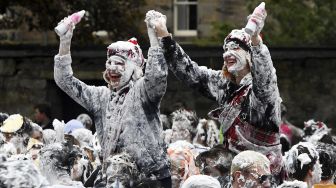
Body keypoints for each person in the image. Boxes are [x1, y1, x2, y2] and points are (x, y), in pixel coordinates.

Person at [150, 5, 282, 174]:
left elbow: (265, 78)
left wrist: (255, 39)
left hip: (264, 174)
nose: (227, 54)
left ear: (250, 55)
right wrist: (164, 34)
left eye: (235, 47)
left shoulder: (262, 90)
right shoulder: (224, 84)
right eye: (225, 49)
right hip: (233, 174)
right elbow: (190, 72)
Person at [53, 10, 171, 187]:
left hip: (151, 178)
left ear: (133, 69)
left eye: (120, 63)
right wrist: (65, 41)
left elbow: (156, 77)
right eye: (110, 63)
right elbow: (65, 81)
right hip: (113, 176)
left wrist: (154, 40)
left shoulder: (143, 90)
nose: (112, 68)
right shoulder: (100, 96)